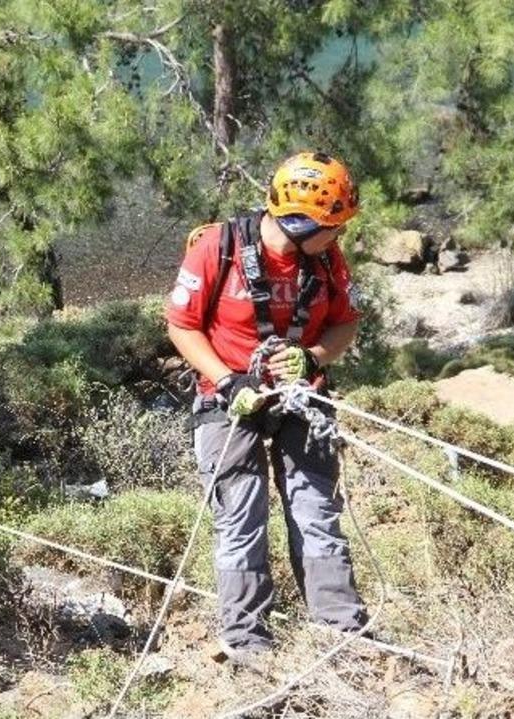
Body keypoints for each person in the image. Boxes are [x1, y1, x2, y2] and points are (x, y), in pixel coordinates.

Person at [165, 151, 369, 666]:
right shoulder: (219, 248)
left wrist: (311, 356)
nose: (340, 237)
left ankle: (343, 632)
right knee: (240, 516)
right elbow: (182, 326)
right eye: (333, 227)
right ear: (300, 222)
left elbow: (345, 323)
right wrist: (229, 381)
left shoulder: (326, 260)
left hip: (302, 399)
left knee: (317, 511)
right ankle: (247, 641)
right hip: (227, 400)